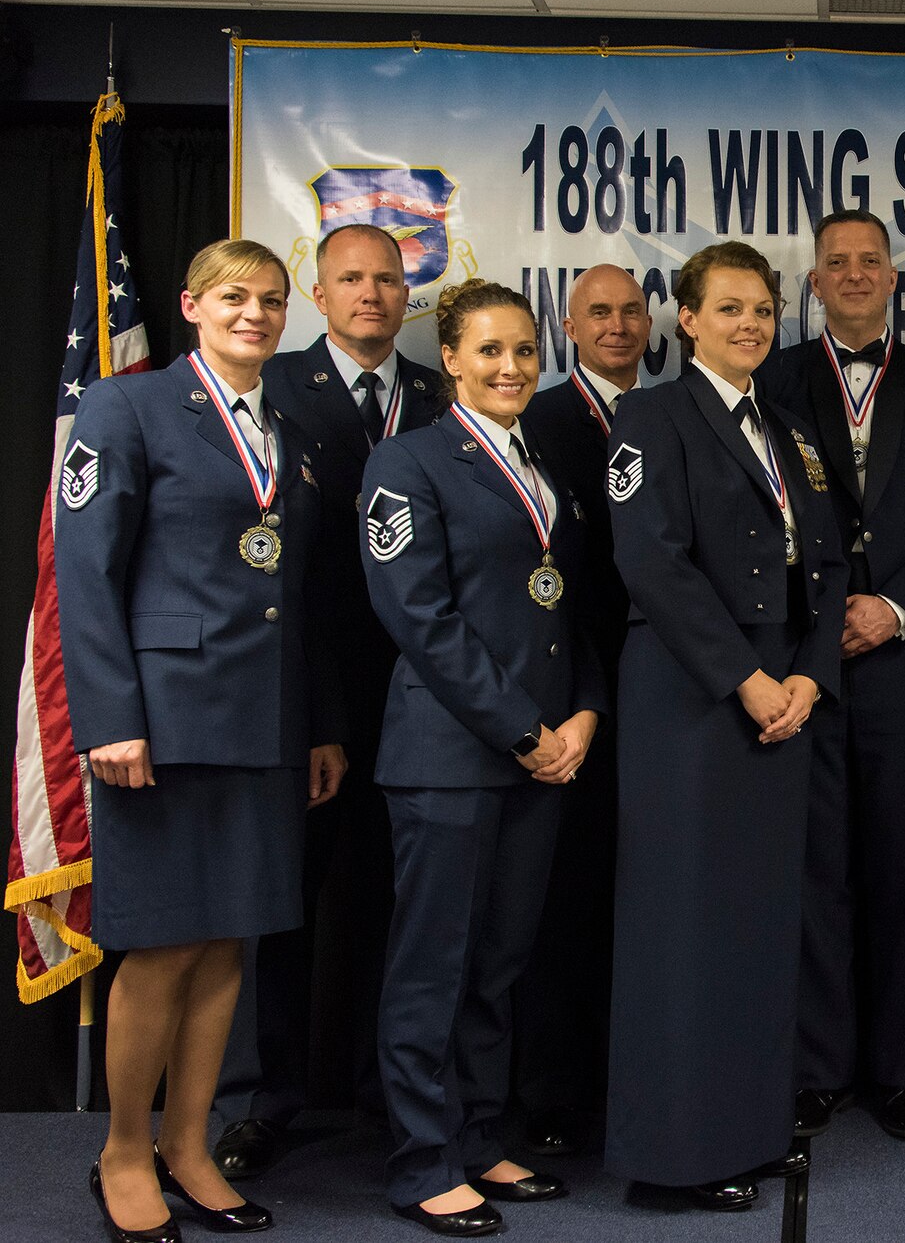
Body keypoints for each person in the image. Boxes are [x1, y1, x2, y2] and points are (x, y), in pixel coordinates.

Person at [55, 238, 346, 1242]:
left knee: (231, 938)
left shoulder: (293, 424)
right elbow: (84, 574)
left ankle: (188, 1143)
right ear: (190, 304)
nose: (254, 314)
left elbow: (293, 594)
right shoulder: (125, 408)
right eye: (233, 297)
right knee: (166, 940)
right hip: (164, 722)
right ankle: (124, 1151)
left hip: (264, 721)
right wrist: (112, 718)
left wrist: (315, 726)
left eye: (270, 300)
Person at [602, 240, 847, 1210]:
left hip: (782, 694)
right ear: (686, 318)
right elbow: (650, 560)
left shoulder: (787, 430)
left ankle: (740, 1132)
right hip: (691, 697)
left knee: (753, 926)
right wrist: (746, 677)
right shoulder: (648, 414)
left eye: (762, 309)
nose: (749, 323)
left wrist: (810, 677)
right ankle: (668, 1161)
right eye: (729, 307)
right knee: (681, 930)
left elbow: (827, 569)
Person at [360, 279, 605, 1236]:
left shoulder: (543, 463)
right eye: (490, 352)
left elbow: (568, 605)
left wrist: (583, 713)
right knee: (434, 965)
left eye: (524, 353)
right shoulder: (406, 461)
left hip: (544, 753)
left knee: (499, 964)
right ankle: (421, 1161)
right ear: (451, 361)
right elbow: (420, 618)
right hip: (451, 754)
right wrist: (525, 730)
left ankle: (476, 1134)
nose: (511, 368)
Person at [214, 221, 442, 1179]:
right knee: (288, 905)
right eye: (351, 279)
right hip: (312, 695)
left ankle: (401, 1096)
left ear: (410, 292)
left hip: (430, 695)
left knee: (413, 910)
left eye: (388, 280)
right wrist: (318, 717)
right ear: (318, 292)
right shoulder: (275, 392)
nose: (372, 296)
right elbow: (281, 580)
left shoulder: (443, 397)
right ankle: (265, 1097)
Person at [762, 209, 905, 1141]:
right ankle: (817, 1068)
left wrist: (892, 608)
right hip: (802, 661)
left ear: (894, 278)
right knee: (816, 869)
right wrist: (824, 620)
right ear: (813, 284)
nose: (853, 275)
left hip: (903, 655)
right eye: (835, 264)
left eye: (870, 261)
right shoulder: (769, 377)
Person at [512, 264, 651, 1155]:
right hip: (563, 691)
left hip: (663, 687)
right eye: (598, 311)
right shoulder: (535, 420)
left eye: (631, 309)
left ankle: (633, 1077)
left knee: (643, 890)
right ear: (569, 323)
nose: (617, 325)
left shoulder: (680, 412)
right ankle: (551, 1092)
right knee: (559, 897)